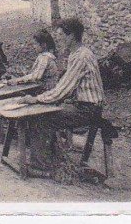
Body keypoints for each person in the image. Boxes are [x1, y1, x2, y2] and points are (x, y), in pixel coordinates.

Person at [18, 17, 104, 171]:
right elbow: (64, 88)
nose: (58, 40)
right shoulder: (78, 54)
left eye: (60, 36)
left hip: (88, 110)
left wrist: (36, 99)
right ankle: (51, 155)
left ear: (70, 35)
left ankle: (42, 163)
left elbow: (63, 90)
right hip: (84, 106)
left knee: (41, 117)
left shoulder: (81, 56)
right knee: (47, 111)